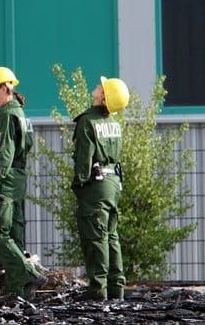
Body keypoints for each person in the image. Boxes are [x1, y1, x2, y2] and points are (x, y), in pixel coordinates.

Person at [0, 66, 46, 299]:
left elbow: (3, 155)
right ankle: (16, 290)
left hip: (6, 180)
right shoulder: (20, 114)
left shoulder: (7, 116)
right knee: (14, 234)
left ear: (5, 88)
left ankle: (29, 274)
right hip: (18, 179)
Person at [71, 76, 129, 302]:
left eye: (100, 87)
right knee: (111, 236)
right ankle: (117, 289)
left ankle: (97, 291)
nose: (97, 86)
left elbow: (84, 161)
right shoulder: (112, 122)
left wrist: (79, 184)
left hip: (95, 186)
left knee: (95, 238)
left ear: (103, 96)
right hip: (113, 183)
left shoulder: (87, 122)